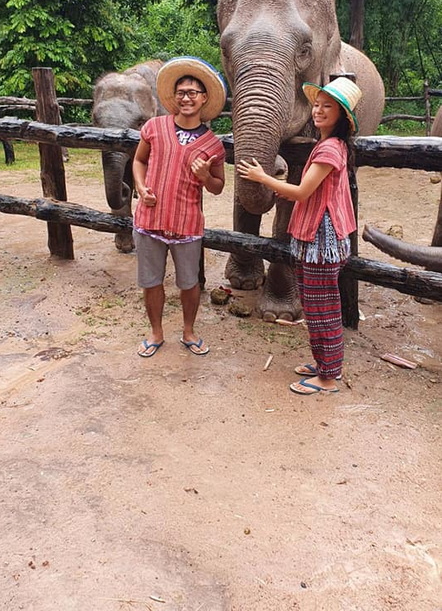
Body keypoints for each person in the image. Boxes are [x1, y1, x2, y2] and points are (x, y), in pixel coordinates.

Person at [237, 77, 362, 395]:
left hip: (322, 241)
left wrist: (262, 177)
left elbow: (303, 192)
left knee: (322, 308)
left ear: (342, 117)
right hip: (315, 236)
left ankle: (328, 377)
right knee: (317, 304)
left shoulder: (330, 149)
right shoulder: (328, 145)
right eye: (317, 105)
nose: (318, 110)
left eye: (327, 106)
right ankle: (325, 363)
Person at [132, 56, 227, 358]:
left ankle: (189, 331)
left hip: (187, 224)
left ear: (204, 99)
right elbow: (139, 160)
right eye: (181, 93)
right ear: (173, 97)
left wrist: (204, 176)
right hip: (149, 219)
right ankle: (156, 332)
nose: (186, 98)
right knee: (151, 281)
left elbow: (218, 187)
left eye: (193, 93)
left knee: (189, 283)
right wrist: (140, 186)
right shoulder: (154, 127)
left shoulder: (214, 145)